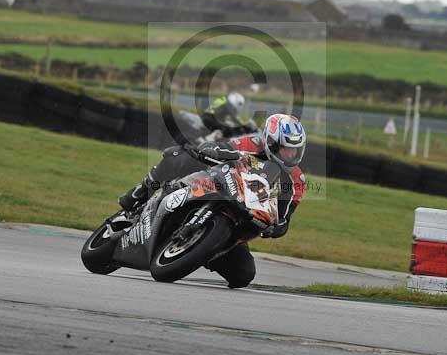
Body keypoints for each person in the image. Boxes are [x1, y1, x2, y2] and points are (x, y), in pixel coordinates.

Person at [118, 113, 307, 288]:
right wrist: (211, 151)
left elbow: (284, 218)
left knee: (243, 275)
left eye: (295, 150)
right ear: (270, 142)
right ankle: (140, 192)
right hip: (219, 188)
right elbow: (221, 148)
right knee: (182, 154)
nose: (291, 155)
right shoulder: (251, 144)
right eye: (285, 149)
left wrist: (276, 227)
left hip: (244, 216)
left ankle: (204, 250)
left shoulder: (296, 180)